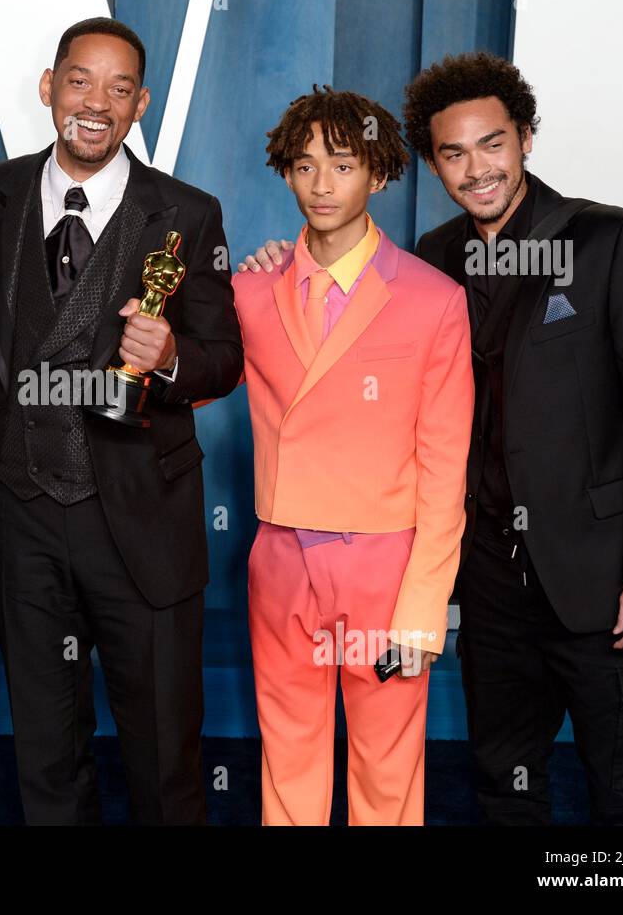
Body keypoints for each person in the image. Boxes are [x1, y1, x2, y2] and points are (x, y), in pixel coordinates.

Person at [242, 53, 623, 825]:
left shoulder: (614, 242)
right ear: (430, 163)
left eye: (492, 144)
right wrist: (280, 264)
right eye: (453, 154)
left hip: (599, 576)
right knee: (504, 782)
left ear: (525, 138)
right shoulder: (430, 259)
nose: (475, 168)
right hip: (488, 581)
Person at [0, 17, 243, 824]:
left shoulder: (188, 214)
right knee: (46, 756)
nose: (97, 102)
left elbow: (222, 357)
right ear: (49, 87)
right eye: (80, 80)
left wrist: (169, 358)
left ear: (141, 104)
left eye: (119, 88)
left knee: (164, 755)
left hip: (141, 520)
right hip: (20, 517)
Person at [232, 87, 472, 824]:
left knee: (387, 767)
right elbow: (192, 393)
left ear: (380, 172)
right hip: (280, 556)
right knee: (289, 753)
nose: (322, 185)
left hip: (387, 567)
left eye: (342, 165)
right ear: (286, 174)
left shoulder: (433, 299)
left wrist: (424, 611)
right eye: (304, 167)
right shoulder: (247, 289)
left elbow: (444, 470)